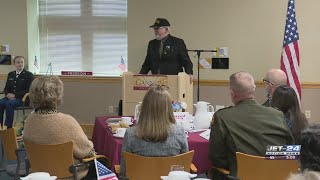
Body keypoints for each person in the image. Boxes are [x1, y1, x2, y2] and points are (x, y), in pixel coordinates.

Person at [208, 71, 294, 179]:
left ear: (232, 93)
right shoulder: (277, 115)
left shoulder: (222, 117)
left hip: (240, 176)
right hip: (277, 176)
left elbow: (216, 158)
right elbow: (289, 150)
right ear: (254, 89)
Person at [23, 76, 95, 179]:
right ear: (57, 96)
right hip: (69, 175)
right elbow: (88, 152)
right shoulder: (67, 122)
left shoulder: (29, 120)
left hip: (39, 174)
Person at [120, 86, 189, 177]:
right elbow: (183, 167)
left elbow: (124, 171)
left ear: (144, 107)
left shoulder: (131, 134)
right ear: (168, 108)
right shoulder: (179, 132)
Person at [139, 18, 193, 83]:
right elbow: (147, 63)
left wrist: (189, 73)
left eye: (157, 28)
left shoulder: (177, 42)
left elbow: (186, 61)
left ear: (166, 29)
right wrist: (140, 76)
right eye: (154, 29)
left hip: (173, 80)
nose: (155, 31)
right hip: (155, 80)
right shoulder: (152, 43)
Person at [0, 56, 33, 128]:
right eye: (18, 62)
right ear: (14, 64)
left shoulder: (29, 75)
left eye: (22, 62)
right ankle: (0, 126)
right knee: (0, 102)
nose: (20, 64)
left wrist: (14, 95)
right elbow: (6, 88)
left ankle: (8, 128)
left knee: (9, 104)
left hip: (22, 99)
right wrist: (7, 94)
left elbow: (28, 90)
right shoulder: (11, 74)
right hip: (9, 97)